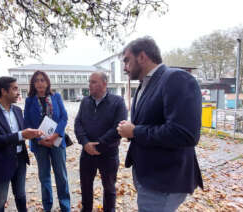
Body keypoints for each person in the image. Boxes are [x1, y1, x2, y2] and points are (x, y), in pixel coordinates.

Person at [117, 36, 203, 212]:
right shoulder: (144, 84)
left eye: (127, 60)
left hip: (164, 180)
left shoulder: (176, 78)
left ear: (142, 57)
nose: (125, 67)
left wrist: (135, 131)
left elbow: (185, 133)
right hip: (148, 176)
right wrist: (132, 128)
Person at [0, 76, 43, 212]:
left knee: (21, 195)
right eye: (14, 89)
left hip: (20, 159)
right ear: (3, 91)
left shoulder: (18, 110)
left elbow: (24, 132)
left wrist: (36, 134)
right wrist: (21, 135)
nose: (18, 92)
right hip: (1, 162)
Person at [74, 72, 128, 212]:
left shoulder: (118, 102)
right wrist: (85, 143)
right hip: (87, 153)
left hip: (108, 153)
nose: (89, 85)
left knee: (109, 188)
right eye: (89, 81)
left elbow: (118, 128)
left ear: (104, 83)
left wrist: (98, 144)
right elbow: (78, 123)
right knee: (85, 187)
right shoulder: (85, 101)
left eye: (93, 82)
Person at [24, 71, 71, 212]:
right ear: (33, 83)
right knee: (44, 177)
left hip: (57, 141)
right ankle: (47, 207)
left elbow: (64, 117)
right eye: (37, 80)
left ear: (47, 82)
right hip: (40, 145)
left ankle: (65, 207)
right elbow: (27, 122)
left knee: (61, 176)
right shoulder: (29, 100)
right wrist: (39, 139)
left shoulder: (56, 97)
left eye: (42, 80)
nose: (40, 83)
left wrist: (55, 135)